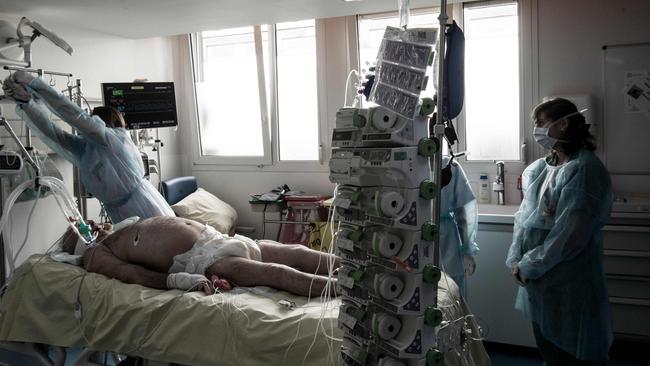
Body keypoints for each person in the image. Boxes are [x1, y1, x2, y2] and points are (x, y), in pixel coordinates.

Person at [505, 98, 612, 365]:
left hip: (569, 280)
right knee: (549, 348)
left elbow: (570, 235)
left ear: (563, 124)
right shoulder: (543, 168)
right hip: (541, 280)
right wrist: (517, 258)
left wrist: (529, 265)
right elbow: (524, 219)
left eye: (540, 123)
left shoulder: (584, 170)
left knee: (574, 351)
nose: (536, 130)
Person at [2, 71, 174, 223]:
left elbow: (75, 115)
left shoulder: (113, 139)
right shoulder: (85, 149)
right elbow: (52, 133)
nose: (89, 125)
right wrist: (26, 104)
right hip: (120, 215)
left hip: (145, 210)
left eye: (93, 120)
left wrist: (35, 83)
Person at [59, 216, 340, 297]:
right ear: (82, 244)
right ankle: (343, 288)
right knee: (277, 273)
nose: (91, 225)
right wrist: (179, 281)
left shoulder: (120, 226)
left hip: (220, 239)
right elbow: (131, 275)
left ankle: (360, 267)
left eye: (87, 223)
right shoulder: (98, 254)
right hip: (204, 260)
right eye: (82, 230)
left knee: (299, 251)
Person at [439, 155, 479, 296]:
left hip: (446, 247)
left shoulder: (448, 166)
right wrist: (467, 249)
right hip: (446, 248)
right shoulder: (447, 166)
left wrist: (467, 249)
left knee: (451, 304)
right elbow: (464, 210)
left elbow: (465, 209)